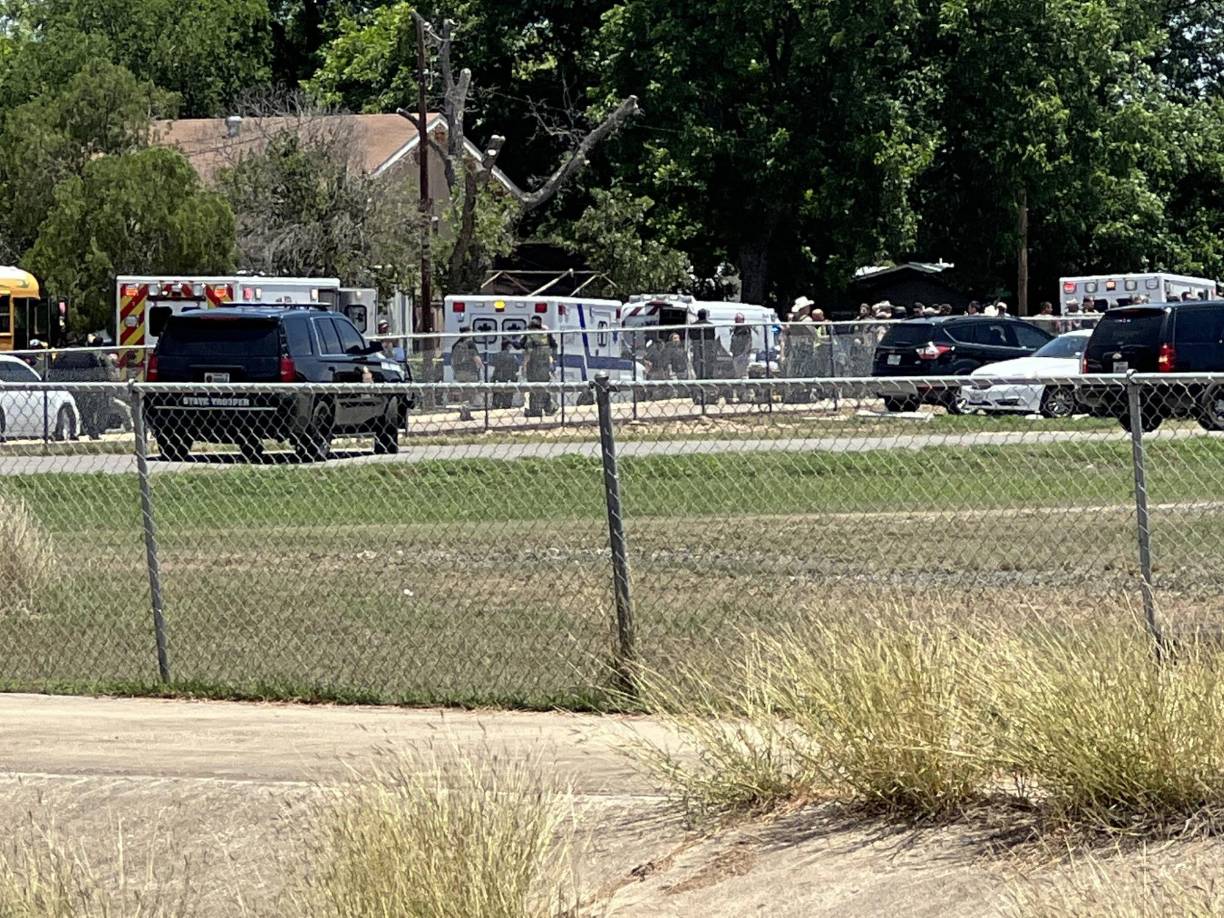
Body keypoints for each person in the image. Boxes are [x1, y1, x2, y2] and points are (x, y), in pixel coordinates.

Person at [520, 315, 557, 417]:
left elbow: (526, 350)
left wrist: (524, 366)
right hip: (544, 366)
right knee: (544, 387)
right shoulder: (545, 334)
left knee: (533, 388)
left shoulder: (530, 335)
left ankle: (535, 410)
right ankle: (549, 407)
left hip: (533, 366)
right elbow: (554, 346)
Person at [450, 327, 483, 421]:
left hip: (458, 372)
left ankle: (465, 412)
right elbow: (476, 357)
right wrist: (481, 366)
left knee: (463, 392)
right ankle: (466, 410)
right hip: (470, 372)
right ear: (468, 332)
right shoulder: (470, 344)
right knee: (471, 392)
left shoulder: (455, 344)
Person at [490, 340, 519, 410]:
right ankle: (506, 406)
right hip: (509, 378)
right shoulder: (513, 357)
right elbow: (516, 368)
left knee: (497, 393)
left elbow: (492, 364)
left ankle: (496, 405)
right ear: (508, 347)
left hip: (498, 377)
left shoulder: (496, 355)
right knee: (508, 394)